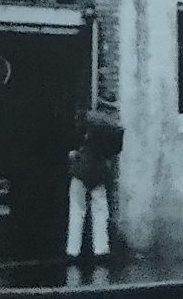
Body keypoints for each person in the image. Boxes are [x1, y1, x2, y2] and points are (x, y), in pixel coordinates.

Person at [65, 111, 121, 262]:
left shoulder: (84, 140)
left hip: (80, 174)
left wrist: (73, 155)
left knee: (77, 210)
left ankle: (73, 250)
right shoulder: (105, 141)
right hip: (99, 175)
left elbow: (75, 155)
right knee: (100, 210)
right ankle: (101, 249)